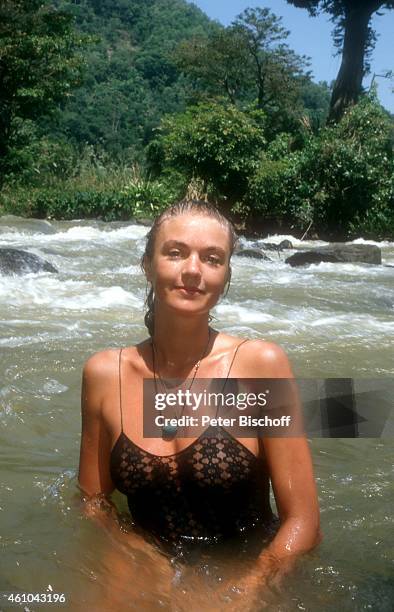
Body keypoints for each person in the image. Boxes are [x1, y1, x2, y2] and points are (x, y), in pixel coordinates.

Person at [78, 200, 321, 607]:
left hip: (247, 572)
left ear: (225, 277)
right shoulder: (104, 374)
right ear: (147, 264)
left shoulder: (259, 365)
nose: (193, 270)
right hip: (143, 566)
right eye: (176, 252)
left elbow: (305, 522)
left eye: (212, 258)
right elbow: (92, 502)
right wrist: (139, 558)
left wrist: (250, 587)